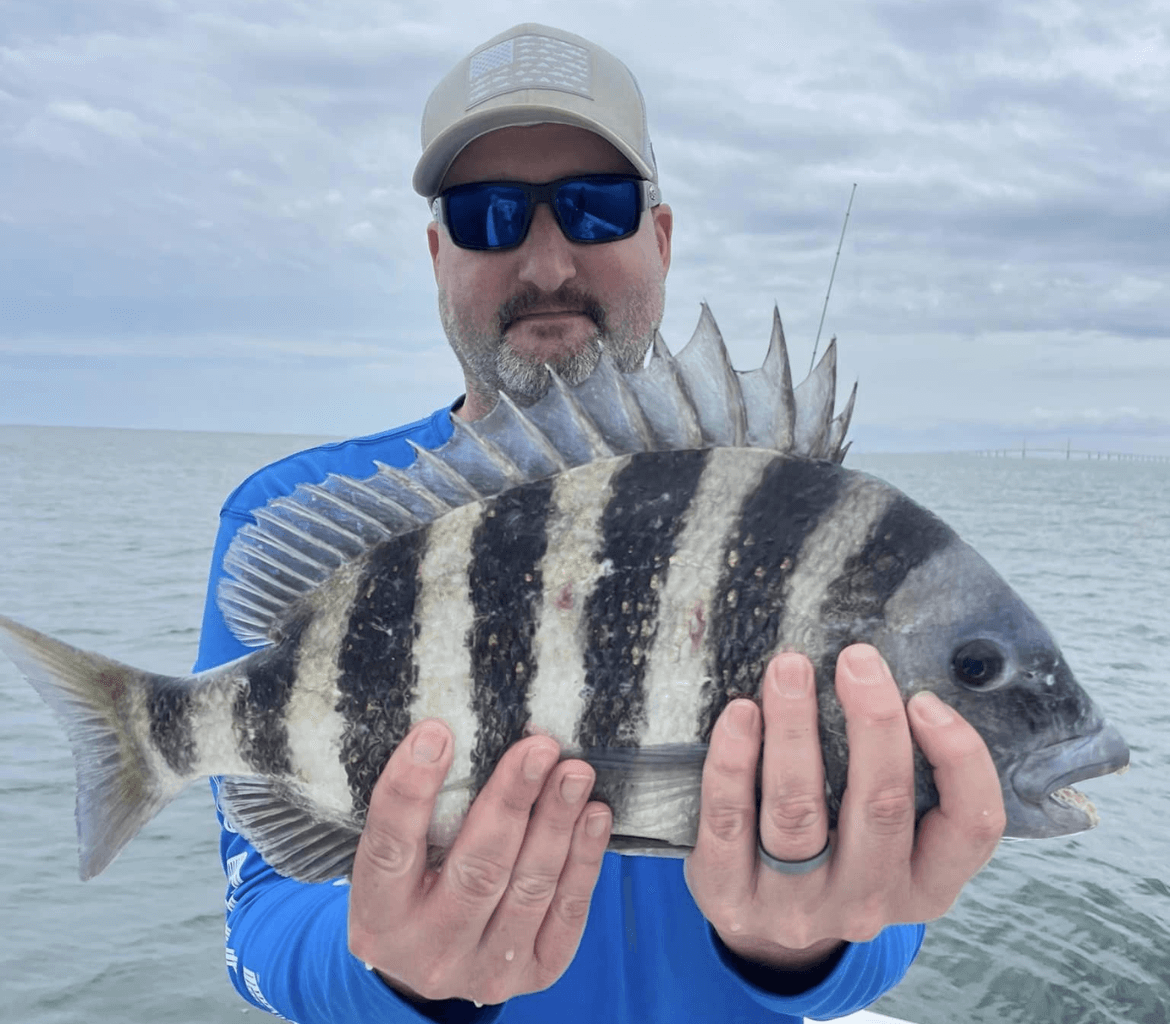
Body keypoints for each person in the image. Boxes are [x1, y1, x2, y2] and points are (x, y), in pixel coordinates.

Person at [194, 23, 1006, 1023]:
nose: (544, 262)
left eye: (595, 206)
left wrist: (804, 940)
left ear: (658, 239)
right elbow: (257, 927)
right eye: (488, 215)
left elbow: (889, 919)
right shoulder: (301, 516)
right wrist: (400, 973)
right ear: (438, 252)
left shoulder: (806, 526)